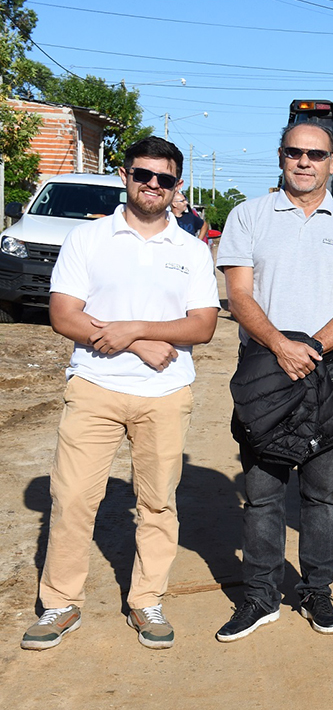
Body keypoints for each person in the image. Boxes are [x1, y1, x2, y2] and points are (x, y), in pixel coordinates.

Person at [22, 137, 219, 650]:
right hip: (94, 388)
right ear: (125, 176)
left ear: (178, 186)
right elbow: (64, 315)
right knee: (70, 500)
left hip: (165, 395)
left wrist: (132, 330)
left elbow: (202, 326)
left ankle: (146, 601)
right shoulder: (88, 240)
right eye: (142, 174)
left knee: (157, 503)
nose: (152, 185)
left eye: (164, 179)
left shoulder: (193, 250)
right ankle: (60, 604)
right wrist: (140, 347)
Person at [214, 121, 333, 641]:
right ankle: (260, 596)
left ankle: (316, 592)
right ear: (280, 156)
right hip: (266, 370)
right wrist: (281, 347)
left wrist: (310, 350)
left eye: (316, 154)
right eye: (294, 152)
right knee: (262, 493)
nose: (304, 162)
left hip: (331, 370)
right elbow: (239, 296)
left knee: (323, 493)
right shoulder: (248, 216)